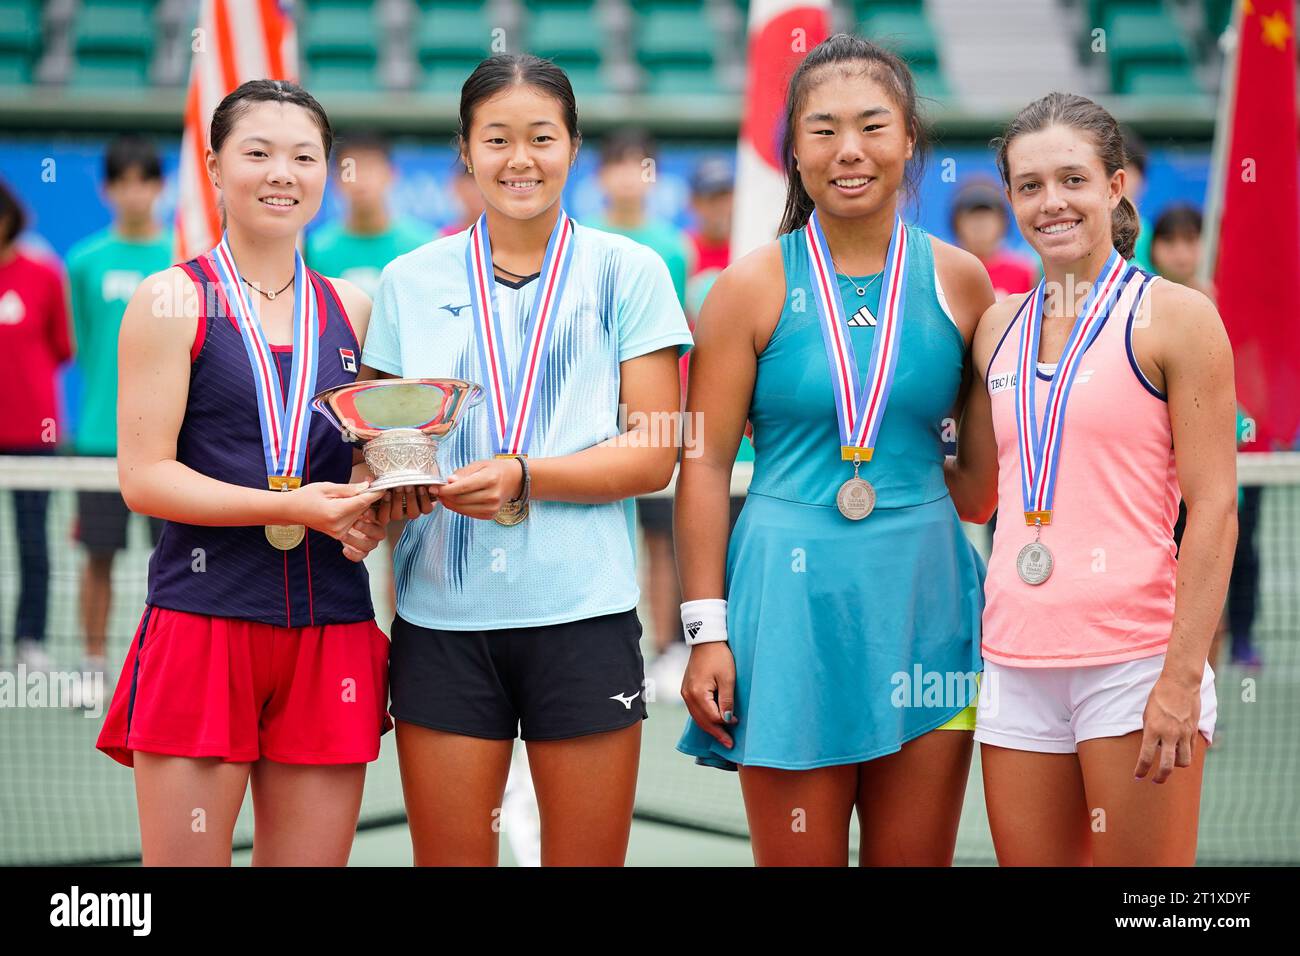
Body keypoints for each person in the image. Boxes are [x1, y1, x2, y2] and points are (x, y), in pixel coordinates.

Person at [347, 54, 692, 866]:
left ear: (573, 145)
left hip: (584, 620)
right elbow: (385, 442)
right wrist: (379, 493)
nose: (520, 159)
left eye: (542, 137)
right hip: (441, 624)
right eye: (496, 138)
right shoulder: (407, 280)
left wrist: (524, 476)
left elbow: (654, 453)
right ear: (466, 153)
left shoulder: (629, 271)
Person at [675, 34, 993, 866]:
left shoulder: (965, 282)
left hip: (930, 607)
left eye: (873, 126)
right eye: (822, 129)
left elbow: (980, 495)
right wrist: (707, 631)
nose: (849, 150)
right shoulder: (746, 286)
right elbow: (704, 465)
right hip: (785, 612)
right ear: (793, 149)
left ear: (910, 140)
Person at [95, 80, 391, 866]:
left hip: (332, 630)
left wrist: (379, 504)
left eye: (303, 156)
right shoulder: (169, 300)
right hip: (204, 627)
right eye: (257, 153)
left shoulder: (357, 309)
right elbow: (145, 479)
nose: (281, 174)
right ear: (214, 166)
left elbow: (367, 457)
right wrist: (288, 505)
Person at [945, 92, 1237, 865]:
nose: (1052, 203)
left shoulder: (1177, 318)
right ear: (1011, 198)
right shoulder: (997, 328)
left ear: (1114, 187)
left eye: (1072, 180)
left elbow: (1213, 509)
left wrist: (1181, 678)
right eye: (1030, 186)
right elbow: (977, 491)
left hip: (1135, 662)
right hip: (1014, 660)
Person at [65, 134, 172, 710]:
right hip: (97, 441)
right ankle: (92, 663)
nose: (134, 193)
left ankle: (158, 665)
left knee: (176, 561)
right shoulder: (83, 261)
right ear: (107, 189)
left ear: (159, 187)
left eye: (145, 180)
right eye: (122, 181)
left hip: (170, 446)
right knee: (98, 557)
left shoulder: (180, 259)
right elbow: (86, 344)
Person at [591, 129, 694, 690]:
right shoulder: (586, 242)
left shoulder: (672, 247)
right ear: (601, 176)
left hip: (653, 414)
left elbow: (671, 340)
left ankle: (666, 646)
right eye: (618, 166)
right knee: (601, 521)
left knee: (664, 533)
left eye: (640, 167)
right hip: (591, 416)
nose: (629, 178)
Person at [0, 177, 71, 674]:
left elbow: (63, 347)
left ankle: (31, 639)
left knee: (33, 540)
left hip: (33, 433)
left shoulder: (44, 275)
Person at [305, 131, 429, 299]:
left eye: (370, 167)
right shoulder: (315, 249)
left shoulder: (423, 246)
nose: (360, 178)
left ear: (391, 174)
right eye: (349, 169)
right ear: (335, 179)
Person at [949, 177, 1036, 300]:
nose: (980, 228)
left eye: (987, 220)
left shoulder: (1024, 272)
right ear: (957, 224)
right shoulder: (945, 269)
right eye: (973, 220)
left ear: (1002, 223)